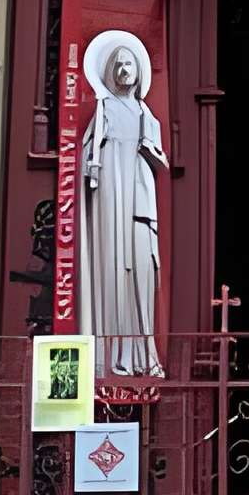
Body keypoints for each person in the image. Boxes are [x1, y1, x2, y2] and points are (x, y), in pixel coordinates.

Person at [79, 34, 166, 379]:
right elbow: (90, 156)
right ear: (109, 72)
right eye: (119, 64)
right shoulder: (105, 109)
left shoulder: (146, 113)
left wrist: (150, 151)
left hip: (139, 201)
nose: (125, 70)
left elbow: (161, 158)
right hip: (112, 202)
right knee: (115, 270)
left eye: (130, 64)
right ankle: (113, 355)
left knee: (141, 270)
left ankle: (142, 354)